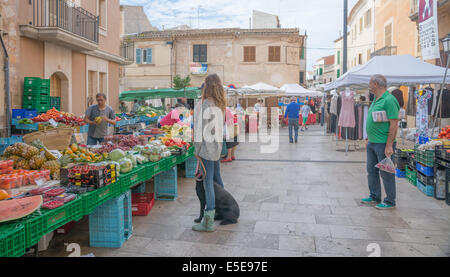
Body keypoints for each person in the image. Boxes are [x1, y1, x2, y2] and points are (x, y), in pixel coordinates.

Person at [193, 73, 227, 232]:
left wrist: (196, 149)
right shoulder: (221, 104)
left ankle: (208, 222)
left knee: (208, 184)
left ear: (208, 86)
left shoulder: (206, 104)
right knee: (217, 180)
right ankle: (222, 210)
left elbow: (200, 130)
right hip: (217, 148)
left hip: (207, 149)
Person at [361, 74, 400, 210]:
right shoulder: (376, 99)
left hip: (383, 143)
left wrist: (389, 145)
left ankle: (390, 201)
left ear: (376, 84)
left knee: (386, 173)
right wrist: (368, 138)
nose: (369, 85)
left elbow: (394, 123)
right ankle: (374, 196)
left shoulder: (389, 100)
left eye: (370, 82)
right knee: (371, 171)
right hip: (372, 142)